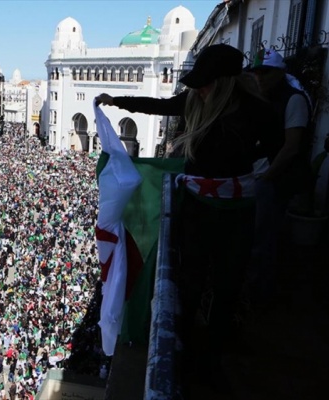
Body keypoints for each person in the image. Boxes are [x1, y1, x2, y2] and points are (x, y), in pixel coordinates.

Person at [96, 44, 282, 394]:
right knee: (192, 277)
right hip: (197, 206)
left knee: (228, 283)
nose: (199, 88)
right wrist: (116, 100)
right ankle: (187, 350)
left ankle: (211, 358)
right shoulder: (196, 102)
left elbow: (276, 146)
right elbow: (157, 106)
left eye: (206, 83)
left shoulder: (257, 111)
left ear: (226, 82)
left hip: (236, 208)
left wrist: (242, 171)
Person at [249, 48, 313, 306]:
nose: (259, 78)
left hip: (278, 179)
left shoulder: (293, 100)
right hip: (264, 176)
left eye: (265, 73)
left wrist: (267, 177)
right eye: (257, 73)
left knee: (264, 237)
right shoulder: (265, 99)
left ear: (279, 74)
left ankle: (261, 294)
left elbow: (292, 146)